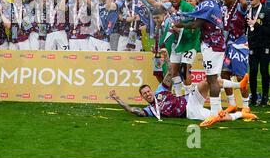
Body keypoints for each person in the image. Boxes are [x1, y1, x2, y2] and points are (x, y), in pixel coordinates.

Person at [109, 49, 255, 122]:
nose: (147, 94)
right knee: (217, 117)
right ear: (142, 97)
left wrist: (166, 59)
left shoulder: (160, 91)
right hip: (190, 112)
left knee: (208, 81)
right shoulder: (150, 110)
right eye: (144, 94)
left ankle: (239, 84)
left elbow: (171, 72)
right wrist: (117, 99)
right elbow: (133, 110)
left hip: (190, 99)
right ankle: (241, 114)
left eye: (148, 91)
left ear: (151, 91)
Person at [174, 0, 226, 127]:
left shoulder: (208, 4)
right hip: (216, 44)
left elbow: (195, 25)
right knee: (213, 78)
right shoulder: (214, 3)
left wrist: (180, 25)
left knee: (212, 79)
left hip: (212, 45)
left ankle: (215, 114)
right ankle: (218, 111)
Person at [221, 0, 250, 113]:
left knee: (240, 77)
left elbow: (244, 4)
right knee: (224, 74)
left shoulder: (239, 7)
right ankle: (232, 104)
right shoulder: (224, 9)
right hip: (227, 45)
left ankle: (245, 106)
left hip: (239, 45)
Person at [246, 0, 270, 106]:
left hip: (265, 46)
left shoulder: (266, 11)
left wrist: (255, 24)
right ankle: (254, 97)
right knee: (253, 72)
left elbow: (268, 30)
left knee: (264, 71)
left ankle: (265, 97)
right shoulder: (247, 11)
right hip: (252, 46)